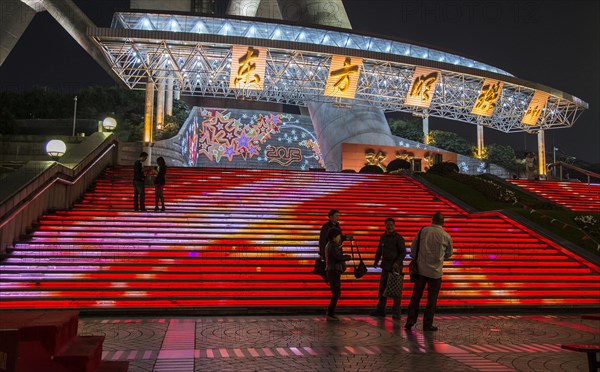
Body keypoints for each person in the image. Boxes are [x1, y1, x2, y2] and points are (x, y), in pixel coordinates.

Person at [405, 212, 453, 332]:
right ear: (443, 222)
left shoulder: (424, 231)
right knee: (431, 299)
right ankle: (427, 324)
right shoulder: (446, 236)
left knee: (416, 296)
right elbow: (449, 253)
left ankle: (410, 320)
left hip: (421, 270)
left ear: (432, 220)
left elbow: (413, 246)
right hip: (436, 273)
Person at [371, 217, 406, 319]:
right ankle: (380, 310)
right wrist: (376, 261)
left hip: (396, 268)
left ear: (394, 226)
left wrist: (397, 262)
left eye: (391, 225)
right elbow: (379, 250)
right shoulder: (383, 237)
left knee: (396, 290)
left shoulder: (398, 238)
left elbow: (403, 252)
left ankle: (396, 312)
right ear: (385, 225)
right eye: (388, 225)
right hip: (385, 266)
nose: (389, 226)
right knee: (382, 288)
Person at [325, 228, 351, 321]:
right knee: (336, 293)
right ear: (334, 237)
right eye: (339, 236)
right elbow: (337, 257)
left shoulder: (330, 245)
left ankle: (330, 313)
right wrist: (347, 257)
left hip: (331, 271)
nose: (340, 238)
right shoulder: (333, 246)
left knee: (335, 292)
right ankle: (330, 313)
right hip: (333, 271)